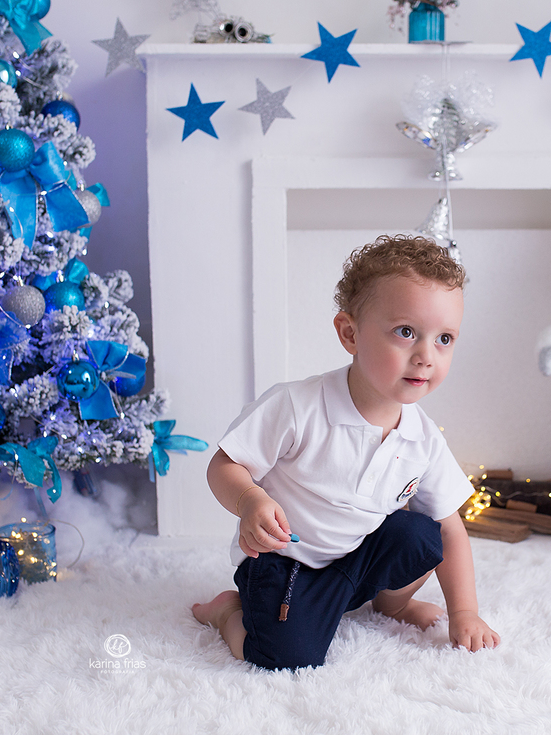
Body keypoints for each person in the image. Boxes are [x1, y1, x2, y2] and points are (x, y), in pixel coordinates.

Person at [193, 234, 500, 670]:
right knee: (287, 656)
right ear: (350, 333)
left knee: (423, 535)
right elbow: (224, 465)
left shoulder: (423, 438)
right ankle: (227, 612)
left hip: (355, 559)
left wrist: (464, 612)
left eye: (444, 338)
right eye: (406, 332)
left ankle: (390, 605)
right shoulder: (298, 407)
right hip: (288, 561)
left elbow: (450, 530)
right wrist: (250, 500)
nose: (426, 356)